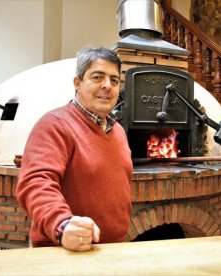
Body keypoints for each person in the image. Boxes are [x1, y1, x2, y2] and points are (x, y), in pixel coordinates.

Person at [16, 47, 133, 251]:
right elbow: (36, 182)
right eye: (98, 77)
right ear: (77, 83)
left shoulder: (119, 131)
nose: (107, 86)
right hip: (63, 251)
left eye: (114, 80)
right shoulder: (54, 124)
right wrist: (62, 225)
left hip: (113, 251)